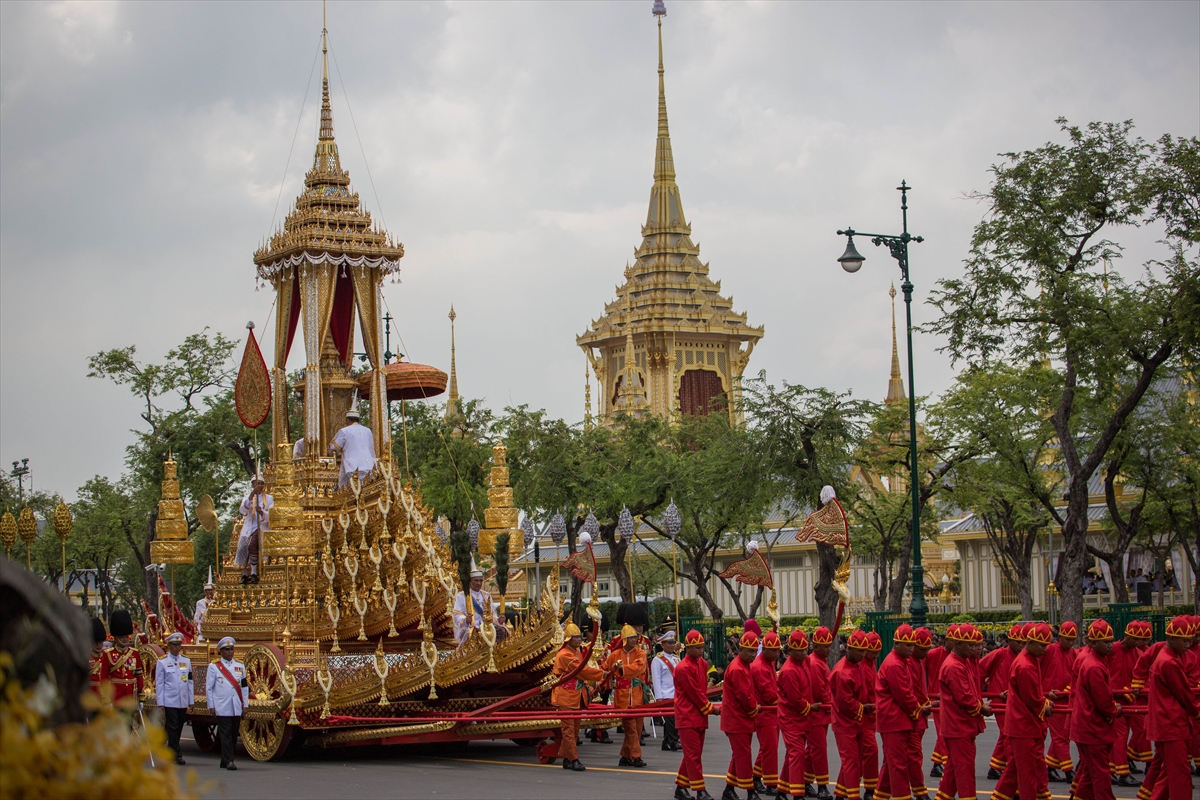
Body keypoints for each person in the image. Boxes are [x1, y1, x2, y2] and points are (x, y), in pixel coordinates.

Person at [1138, 616, 1199, 800]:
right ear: (1171, 639)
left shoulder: (1166, 657)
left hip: (1166, 725)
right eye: (1184, 641)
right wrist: (1197, 712)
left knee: (1166, 774)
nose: (1188, 645)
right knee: (1180, 775)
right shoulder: (1169, 662)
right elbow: (1184, 694)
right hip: (1172, 725)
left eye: (1190, 640)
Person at [991, 622, 1053, 800]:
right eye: (1041, 645)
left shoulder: (1029, 660)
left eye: (1046, 645)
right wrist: (1045, 706)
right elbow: (1032, 699)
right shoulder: (1025, 665)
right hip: (1023, 726)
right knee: (1027, 774)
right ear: (1030, 643)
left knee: (1016, 769)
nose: (1045, 649)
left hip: (1025, 725)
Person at [1067, 619, 1122, 800]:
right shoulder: (1093, 666)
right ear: (1092, 643)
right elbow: (1104, 702)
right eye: (1105, 642)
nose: (1110, 646)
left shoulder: (1095, 661)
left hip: (1088, 727)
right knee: (1101, 775)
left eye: (1110, 641)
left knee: (1091, 774)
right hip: (1093, 729)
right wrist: (1115, 710)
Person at [936, 623, 992, 800]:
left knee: (954, 768)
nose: (975, 649)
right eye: (970, 645)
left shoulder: (962, 662)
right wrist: (981, 708)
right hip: (958, 725)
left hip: (961, 724)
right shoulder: (954, 665)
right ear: (958, 644)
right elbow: (965, 698)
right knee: (964, 770)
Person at [874, 623, 922, 800]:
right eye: (908, 645)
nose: (911, 649)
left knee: (891, 764)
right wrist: (918, 710)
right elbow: (904, 695)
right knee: (898, 766)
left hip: (898, 720)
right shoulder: (895, 664)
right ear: (896, 644)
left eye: (913, 645)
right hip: (894, 721)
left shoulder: (902, 662)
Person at [551, 622, 606, 772]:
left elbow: (583, 676)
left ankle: (567, 757)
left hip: (576, 696)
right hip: (566, 697)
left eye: (579, 636)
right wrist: (601, 673)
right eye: (575, 637)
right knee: (568, 730)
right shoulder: (564, 655)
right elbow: (581, 671)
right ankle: (573, 759)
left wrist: (591, 687)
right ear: (568, 639)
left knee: (574, 730)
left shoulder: (576, 652)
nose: (579, 639)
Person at [674, 629, 716, 800]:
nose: (701, 651)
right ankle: (700, 790)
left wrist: (707, 708)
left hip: (699, 714)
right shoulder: (683, 668)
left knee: (694, 754)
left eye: (702, 647)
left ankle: (681, 787)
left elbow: (702, 691)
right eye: (697, 648)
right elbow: (695, 693)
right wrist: (712, 709)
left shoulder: (702, 664)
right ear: (688, 648)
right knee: (693, 755)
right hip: (687, 715)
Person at [830, 630, 872, 800]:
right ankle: (853, 796)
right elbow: (845, 703)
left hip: (858, 720)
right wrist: (864, 708)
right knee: (851, 762)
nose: (863, 654)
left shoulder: (859, 664)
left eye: (864, 651)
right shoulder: (842, 672)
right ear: (849, 649)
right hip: (844, 722)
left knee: (854, 760)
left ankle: (840, 794)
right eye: (859, 651)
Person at [1109, 619, 1151, 784]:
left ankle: (1132, 761)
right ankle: (1122, 772)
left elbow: (1142, 675)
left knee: (1142, 730)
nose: (1139, 643)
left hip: (1131, 699)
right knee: (1119, 737)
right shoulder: (1112, 650)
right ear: (1127, 636)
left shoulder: (1139, 654)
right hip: (1115, 700)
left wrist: (1131, 690)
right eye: (1135, 639)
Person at [980, 623, 1025, 779]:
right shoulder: (999, 654)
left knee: (1006, 733)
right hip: (998, 698)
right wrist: (979, 692)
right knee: (1007, 733)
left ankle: (996, 765)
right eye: (1017, 642)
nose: (1020, 645)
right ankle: (1010, 764)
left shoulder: (1024, 657)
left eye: (1023, 642)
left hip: (1014, 700)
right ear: (1009, 640)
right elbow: (980, 669)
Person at [721, 630, 762, 800]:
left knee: (739, 755)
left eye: (755, 651)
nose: (753, 655)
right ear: (742, 650)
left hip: (740, 719)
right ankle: (750, 791)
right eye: (750, 651)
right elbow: (745, 696)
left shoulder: (743, 665)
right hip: (737, 719)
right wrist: (755, 709)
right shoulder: (738, 668)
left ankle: (729, 789)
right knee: (744, 755)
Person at [604, 624, 649, 768]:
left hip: (638, 696)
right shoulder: (615, 655)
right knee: (631, 729)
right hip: (623, 698)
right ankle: (636, 757)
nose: (634, 640)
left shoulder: (641, 653)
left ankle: (625, 756)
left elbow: (638, 668)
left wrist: (621, 669)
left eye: (635, 637)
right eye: (631, 638)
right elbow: (604, 670)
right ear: (624, 639)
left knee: (638, 728)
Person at [778, 629, 814, 800]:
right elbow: (795, 700)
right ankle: (797, 794)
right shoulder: (788, 671)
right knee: (797, 754)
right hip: (790, 718)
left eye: (805, 650)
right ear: (790, 651)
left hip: (801, 717)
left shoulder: (804, 662)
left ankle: (781, 791)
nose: (804, 653)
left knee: (792, 755)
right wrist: (811, 708)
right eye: (799, 651)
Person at [1042, 620, 1078, 783]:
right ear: (1060, 637)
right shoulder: (1049, 650)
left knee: (1064, 735)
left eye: (1072, 640)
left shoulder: (1074, 654)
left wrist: (1067, 690)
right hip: (1051, 700)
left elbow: (1076, 676)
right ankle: (1069, 770)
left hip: (1066, 699)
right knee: (1060, 737)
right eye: (1067, 639)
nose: (1070, 643)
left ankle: (1050, 767)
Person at [206, 636, 249, 770]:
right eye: (227, 649)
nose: (230, 652)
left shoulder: (240, 666)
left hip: (235, 705)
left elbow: (244, 687)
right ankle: (230, 760)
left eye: (231, 649)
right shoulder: (214, 667)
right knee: (225, 734)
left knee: (233, 733)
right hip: (222, 705)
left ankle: (224, 760)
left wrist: (245, 704)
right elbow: (209, 687)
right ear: (221, 651)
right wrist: (211, 705)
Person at [155, 631, 194, 765]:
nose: (177, 648)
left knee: (178, 727)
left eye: (179, 645)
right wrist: (160, 702)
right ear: (169, 646)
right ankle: (176, 754)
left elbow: (189, 682)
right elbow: (159, 684)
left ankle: (170, 749)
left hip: (182, 700)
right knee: (172, 726)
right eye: (174, 645)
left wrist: (191, 701)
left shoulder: (186, 661)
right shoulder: (163, 662)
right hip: (170, 699)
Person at [752, 631, 783, 796]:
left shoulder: (769, 662)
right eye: (774, 650)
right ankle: (771, 783)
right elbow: (768, 694)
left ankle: (756, 776)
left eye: (778, 650)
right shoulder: (759, 666)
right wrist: (783, 698)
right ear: (764, 649)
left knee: (768, 748)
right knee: (769, 749)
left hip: (772, 712)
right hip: (765, 713)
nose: (777, 653)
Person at [906, 627, 935, 800]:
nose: (925, 653)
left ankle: (879, 793)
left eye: (927, 649)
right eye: (922, 649)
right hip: (913, 716)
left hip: (918, 715)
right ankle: (920, 792)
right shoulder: (908, 663)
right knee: (914, 756)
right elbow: (910, 693)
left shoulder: (918, 661)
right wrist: (924, 706)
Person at [99, 609, 144, 711]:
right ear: (116, 637)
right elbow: (104, 680)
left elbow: (139, 676)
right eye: (121, 636)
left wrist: (141, 697)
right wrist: (106, 701)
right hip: (116, 698)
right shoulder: (108, 654)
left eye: (126, 636)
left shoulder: (135, 653)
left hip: (131, 698)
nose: (124, 639)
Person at [926, 625, 955, 777]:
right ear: (946, 640)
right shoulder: (933, 654)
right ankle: (945, 763)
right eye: (954, 640)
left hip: (950, 701)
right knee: (943, 733)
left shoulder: (960, 656)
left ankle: (937, 764)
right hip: (937, 700)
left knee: (945, 733)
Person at [451, 566, 507, 647]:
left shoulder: (487, 595)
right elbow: (456, 615)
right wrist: (465, 619)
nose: (479, 583)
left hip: (487, 629)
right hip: (472, 629)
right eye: (476, 580)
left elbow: (492, 615)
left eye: (481, 581)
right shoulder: (462, 595)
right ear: (470, 581)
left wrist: (498, 620)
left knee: (503, 631)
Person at [233, 474, 272, 585]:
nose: (258, 486)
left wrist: (262, 512)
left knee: (252, 544)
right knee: (242, 547)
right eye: (256, 484)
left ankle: (254, 573)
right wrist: (252, 495)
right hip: (248, 527)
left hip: (260, 526)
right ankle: (244, 574)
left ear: (263, 485)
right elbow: (243, 510)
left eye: (261, 483)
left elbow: (272, 514)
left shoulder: (269, 498)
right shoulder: (247, 497)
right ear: (253, 485)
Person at [330, 409, 377, 489]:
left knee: (351, 491)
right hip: (369, 465)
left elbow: (333, 448)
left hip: (352, 467)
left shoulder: (344, 431)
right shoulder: (367, 430)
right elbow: (370, 448)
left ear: (347, 420)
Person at [653, 629, 683, 752]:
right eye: (669, 643)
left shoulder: (677, 659)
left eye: (673, 642)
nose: (671, 645)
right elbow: (656, 679)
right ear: (663, 644)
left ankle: (667, 742)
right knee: (670, 719)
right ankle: (673, 740)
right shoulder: (657, 660)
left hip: (676, 694)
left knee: (676, 718)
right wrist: (659, 698)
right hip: (665, 694)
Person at [861, 632, 882, 798]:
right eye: (872, 652)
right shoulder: (859, 664)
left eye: (877, 653)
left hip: (869, 714)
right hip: (860, 714)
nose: (874, 656)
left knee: (861, 755)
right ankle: (869, 788)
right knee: (870, 751)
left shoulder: (872, 663)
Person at [88, 617, 108, 699]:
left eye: (100, 642)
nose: (98, 645)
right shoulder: (86, 657)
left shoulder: (107, 656)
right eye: (96, 642)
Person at [194, 575, 215, 639]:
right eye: (208, 590)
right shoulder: (200, 602)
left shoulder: (218, 602)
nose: (210, 592)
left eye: (211, 590)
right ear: (205, 592)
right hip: (203, 628)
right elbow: (200, 617)